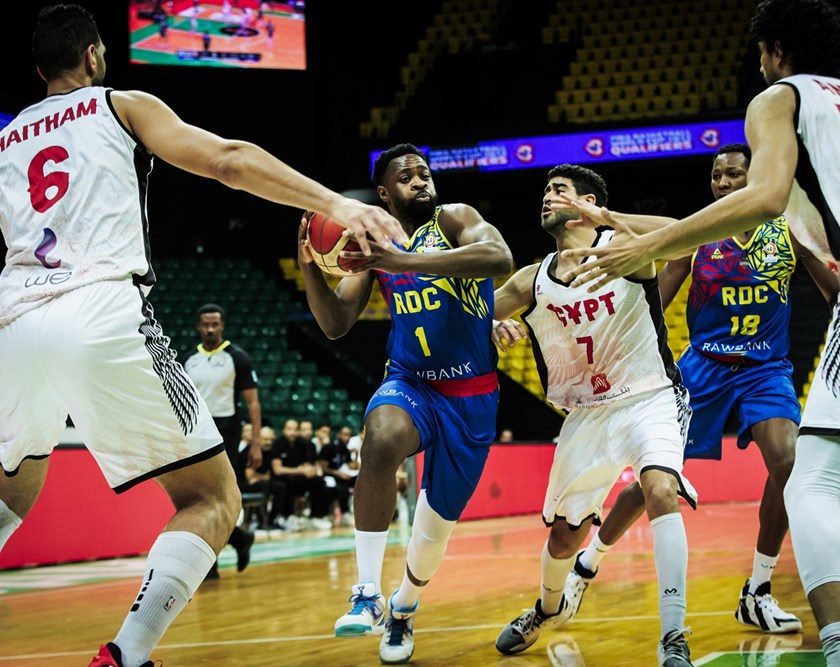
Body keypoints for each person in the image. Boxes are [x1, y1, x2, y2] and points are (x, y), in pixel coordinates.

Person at [0, 7, 404, 667]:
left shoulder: (7, 138)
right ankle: (128, 654)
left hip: (14, 322)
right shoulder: (119, 104)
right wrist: (336, 203)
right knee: (213, 499)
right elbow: (226, 159)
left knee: (11, 489)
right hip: (99, 309)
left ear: (40, 67)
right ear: (95, 57)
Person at [554, 2, 840, 661]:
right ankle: (590, 562)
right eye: (717, 175)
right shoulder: (700, 238)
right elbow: (653, 302)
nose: (726, 180)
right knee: (654, 480)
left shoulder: (787, 221)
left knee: (791, 462)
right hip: (704, 365)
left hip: (765, 367)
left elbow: (828, 281)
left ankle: (758, 586)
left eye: (735, 172)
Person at [299, 143, 512, 663]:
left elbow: (500, 258)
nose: (420, 181)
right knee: (381, 438)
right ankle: (367, 593)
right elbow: (335, 323)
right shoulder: (374, 243)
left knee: (431, 536)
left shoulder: (454, 219)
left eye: (424, 173)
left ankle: (403, 607)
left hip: (471, 396)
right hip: (411, 381)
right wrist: (309, 267)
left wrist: (405, 260)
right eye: (407, 176)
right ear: (384, 192)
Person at [491, 165, 696, 666]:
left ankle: (674, 634)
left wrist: (607, 217)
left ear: (586, 202)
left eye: (559, 190)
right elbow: (476, 315)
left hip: (650, 394)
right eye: (545, 190)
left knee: (661, 490)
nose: (547, 196)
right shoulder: (532, 278)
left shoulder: (623, 247)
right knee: (565, 536)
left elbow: (682, 238)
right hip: (586, 413)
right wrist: (492, 324)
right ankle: (546, 608)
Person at [184, 303, 261, 578]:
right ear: (198, 326)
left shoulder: (237, 357)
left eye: (215, 324)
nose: (210, 329)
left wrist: (255, 443)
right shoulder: (188, 359)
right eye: (205, 324)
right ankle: (238, 539)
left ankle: (214, 559)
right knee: (199, 498)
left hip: (226, 432)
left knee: (220, 497)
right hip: (195, 432)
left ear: (222, 326)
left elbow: (253, 402)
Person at [269, 418, 341, 531]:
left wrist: (310, 470)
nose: (292, 432)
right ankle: (288, 517)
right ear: (283, 430)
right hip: (281, 478)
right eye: (289, 429)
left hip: (298, 476)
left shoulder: (301, 443)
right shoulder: (278, 443)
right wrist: (300, 470)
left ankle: (316, 516)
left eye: (295, 429)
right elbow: (278, 470)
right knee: (288, 482)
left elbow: (307, 463)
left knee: (318, 481)